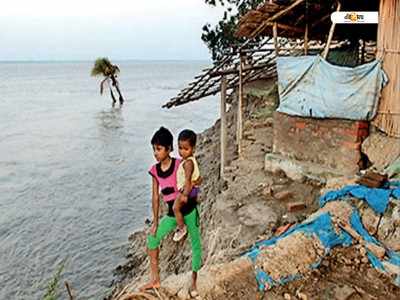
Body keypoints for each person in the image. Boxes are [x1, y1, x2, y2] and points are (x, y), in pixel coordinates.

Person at [139, 127, 201, 298]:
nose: (155, 153)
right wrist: (155, 222)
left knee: (196, 245)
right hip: (173, 214)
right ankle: (155, 279)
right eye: (154, 149)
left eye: (159, 149)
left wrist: (192, 187)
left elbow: (195, 179)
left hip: (189, 210)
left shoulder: (180, 164)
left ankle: (194, 278)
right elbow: (155, 198)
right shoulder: (154, 171)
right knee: (152, 239)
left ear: (169, 149)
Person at [173, 129, 200, 242]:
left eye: (186, 149)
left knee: (175, 208)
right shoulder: (189, 160)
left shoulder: (188, 163)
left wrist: (184, 195)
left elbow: (188, 179)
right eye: (180, 148)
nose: (182, 152)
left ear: (193, 149)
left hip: (188, 190)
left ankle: (182, 228)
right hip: (191, 189)